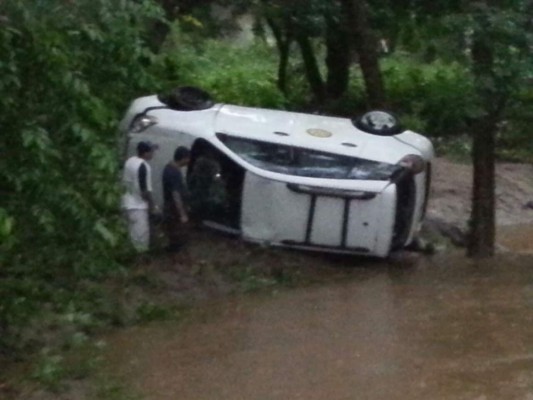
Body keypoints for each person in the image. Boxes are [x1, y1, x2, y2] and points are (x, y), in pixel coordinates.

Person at [121, 141, 159, 252]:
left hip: (126, 203)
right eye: (152, 151)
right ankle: (140, 261)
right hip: (138, 207)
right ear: (146, 153)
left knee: (130, 235)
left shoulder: (130, 161)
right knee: (141, 238)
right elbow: (145, 191)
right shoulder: (144, 166)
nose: (153, 154)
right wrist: (153, 207)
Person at [162, 146, 191, 252]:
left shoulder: (168, 168)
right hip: (173, 209)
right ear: (183, 158)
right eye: (188, 158)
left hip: (170, 207)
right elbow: (176, 194)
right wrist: (182, 213)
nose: (188, 161)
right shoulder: (174, 172)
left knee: (173, 232)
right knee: (177, 233)